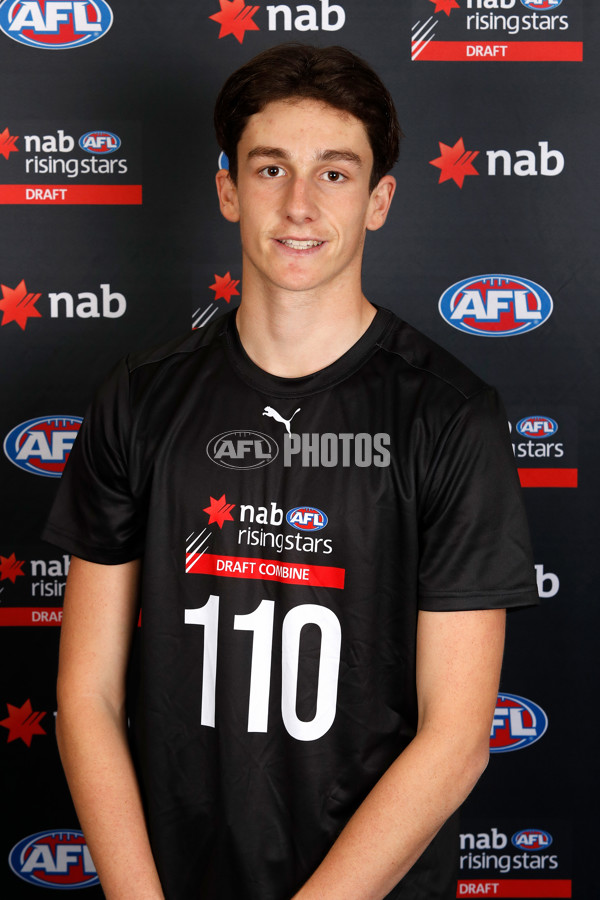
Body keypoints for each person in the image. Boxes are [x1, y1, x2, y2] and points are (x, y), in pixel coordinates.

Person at [44, 44, 538, 900]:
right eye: (270, 168)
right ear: (229, 187)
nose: (299, 205)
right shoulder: (139, 398)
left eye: (335, 174)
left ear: (380, 199)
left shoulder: (450, 414)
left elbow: (458, 737)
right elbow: (85, 695)